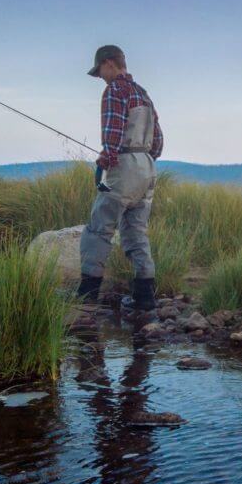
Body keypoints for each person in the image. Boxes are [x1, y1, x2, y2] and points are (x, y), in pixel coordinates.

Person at [77, 45, 163, 311]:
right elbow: (158, 141)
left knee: (99, 229)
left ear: (109, 63)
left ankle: (87, 294)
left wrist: (105, 160)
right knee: (137, 231)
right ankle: (145, 297)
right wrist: (144, 159)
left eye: (100, 70)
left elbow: (112, 132)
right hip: (147, 167)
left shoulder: (115, 89)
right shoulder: (144, 94)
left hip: (124, 165)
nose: (100, 76)